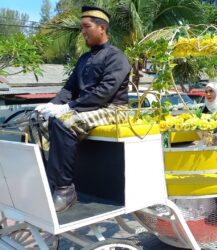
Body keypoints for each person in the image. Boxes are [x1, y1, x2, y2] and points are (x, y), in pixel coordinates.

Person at [34, 6, 131, 213]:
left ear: (102, 28)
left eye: (86, 27)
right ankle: (49, 180)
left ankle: (65, 189)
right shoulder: (84, 59)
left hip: (114, 109)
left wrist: (69, 107)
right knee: (38, 121)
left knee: (65, 122)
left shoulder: (116, 57)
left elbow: (104, 94)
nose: (82, 32)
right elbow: (69, 89)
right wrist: (51, 105)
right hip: (87, 108)